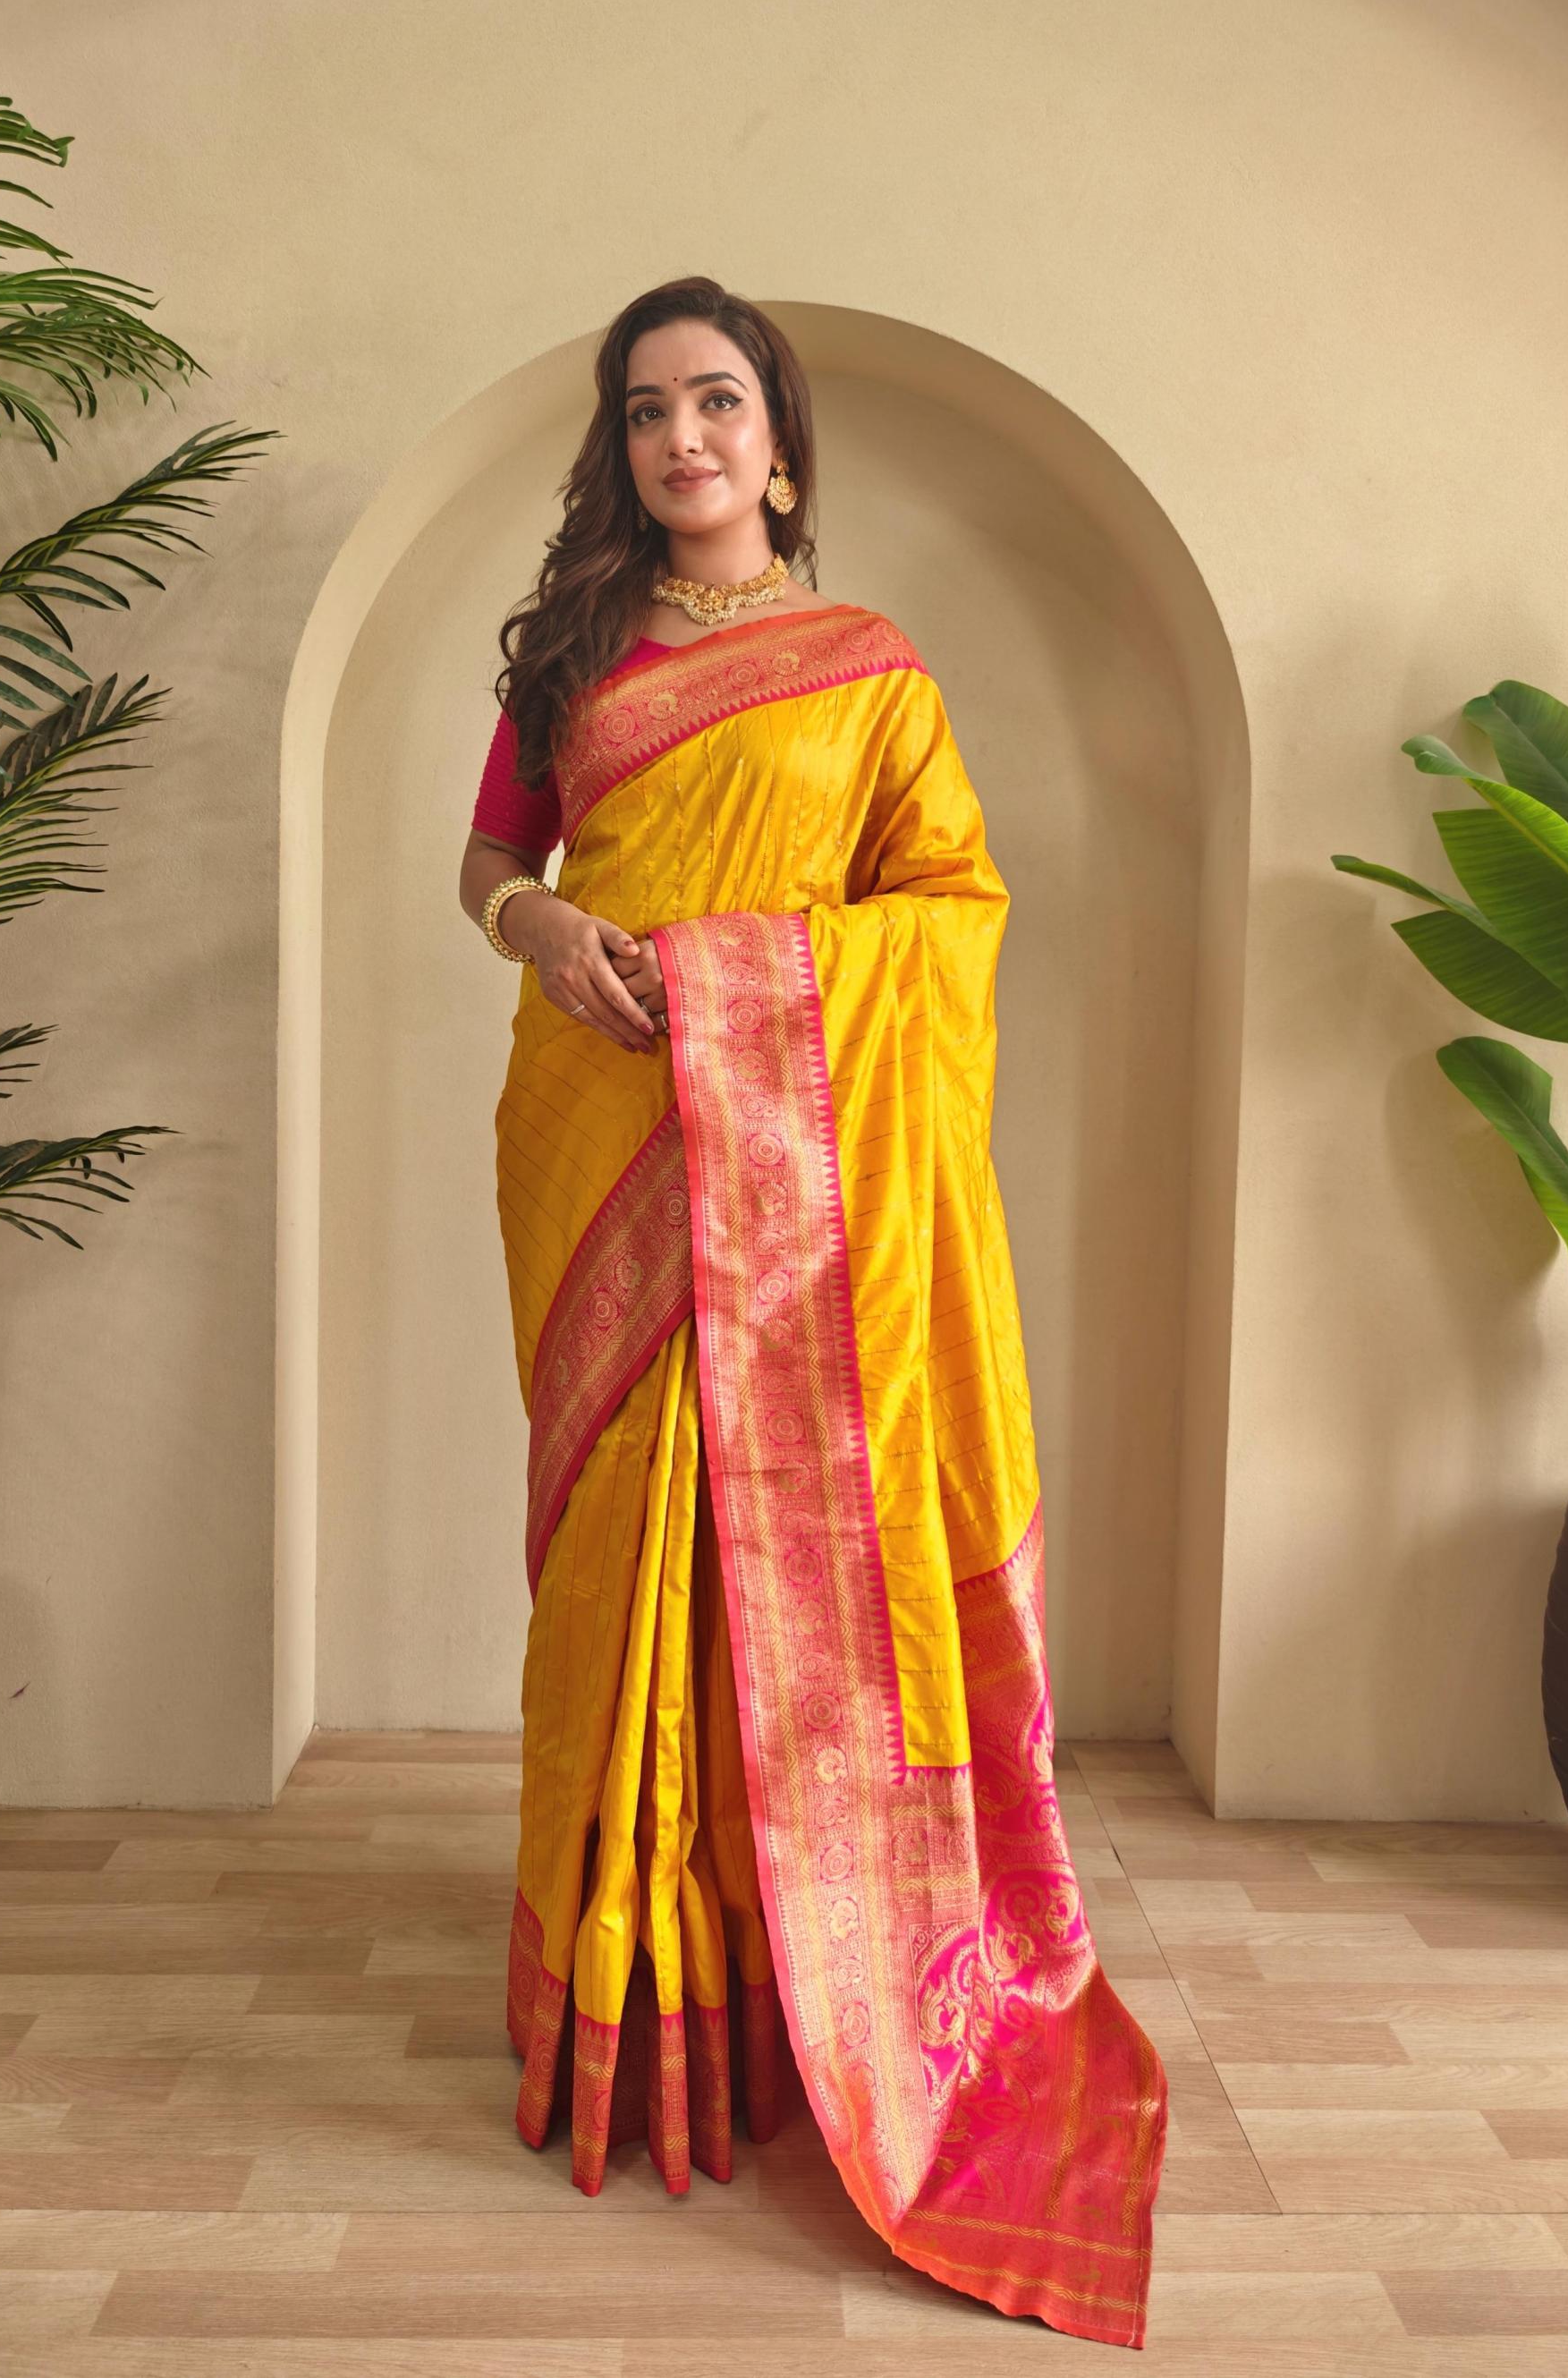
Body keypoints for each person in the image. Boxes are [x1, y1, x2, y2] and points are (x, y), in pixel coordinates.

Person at [459, 276, 1167, 2348]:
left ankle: (785, 1983)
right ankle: (622, 1984)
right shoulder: (569, 652)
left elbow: (948, 915)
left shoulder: (869, 673)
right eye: (644, 410)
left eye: (715, 402)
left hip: (787, 1177)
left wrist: (741, 981)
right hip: (596, 1139)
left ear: (776, 442)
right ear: (620, 450)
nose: (680, 437)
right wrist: (543, 924)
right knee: (616, 1565)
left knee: (776, 1560)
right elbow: (486, 863)